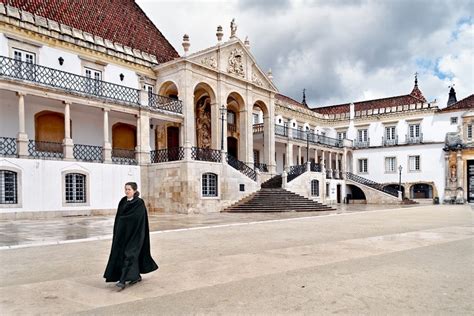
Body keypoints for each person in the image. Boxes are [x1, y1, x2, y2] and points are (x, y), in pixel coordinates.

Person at [103, 182, 158, 290]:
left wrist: (126, 221)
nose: (127, 191)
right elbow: (119, 218)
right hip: (123, 235)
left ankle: (122, 280)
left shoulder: (139, 203)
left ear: (134, 190)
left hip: (135, 234)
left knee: (130, 255)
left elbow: (138, 219)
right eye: (126, 189)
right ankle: (135, 276)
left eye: (129, 189)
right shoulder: (123, 201)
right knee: (122, 254)